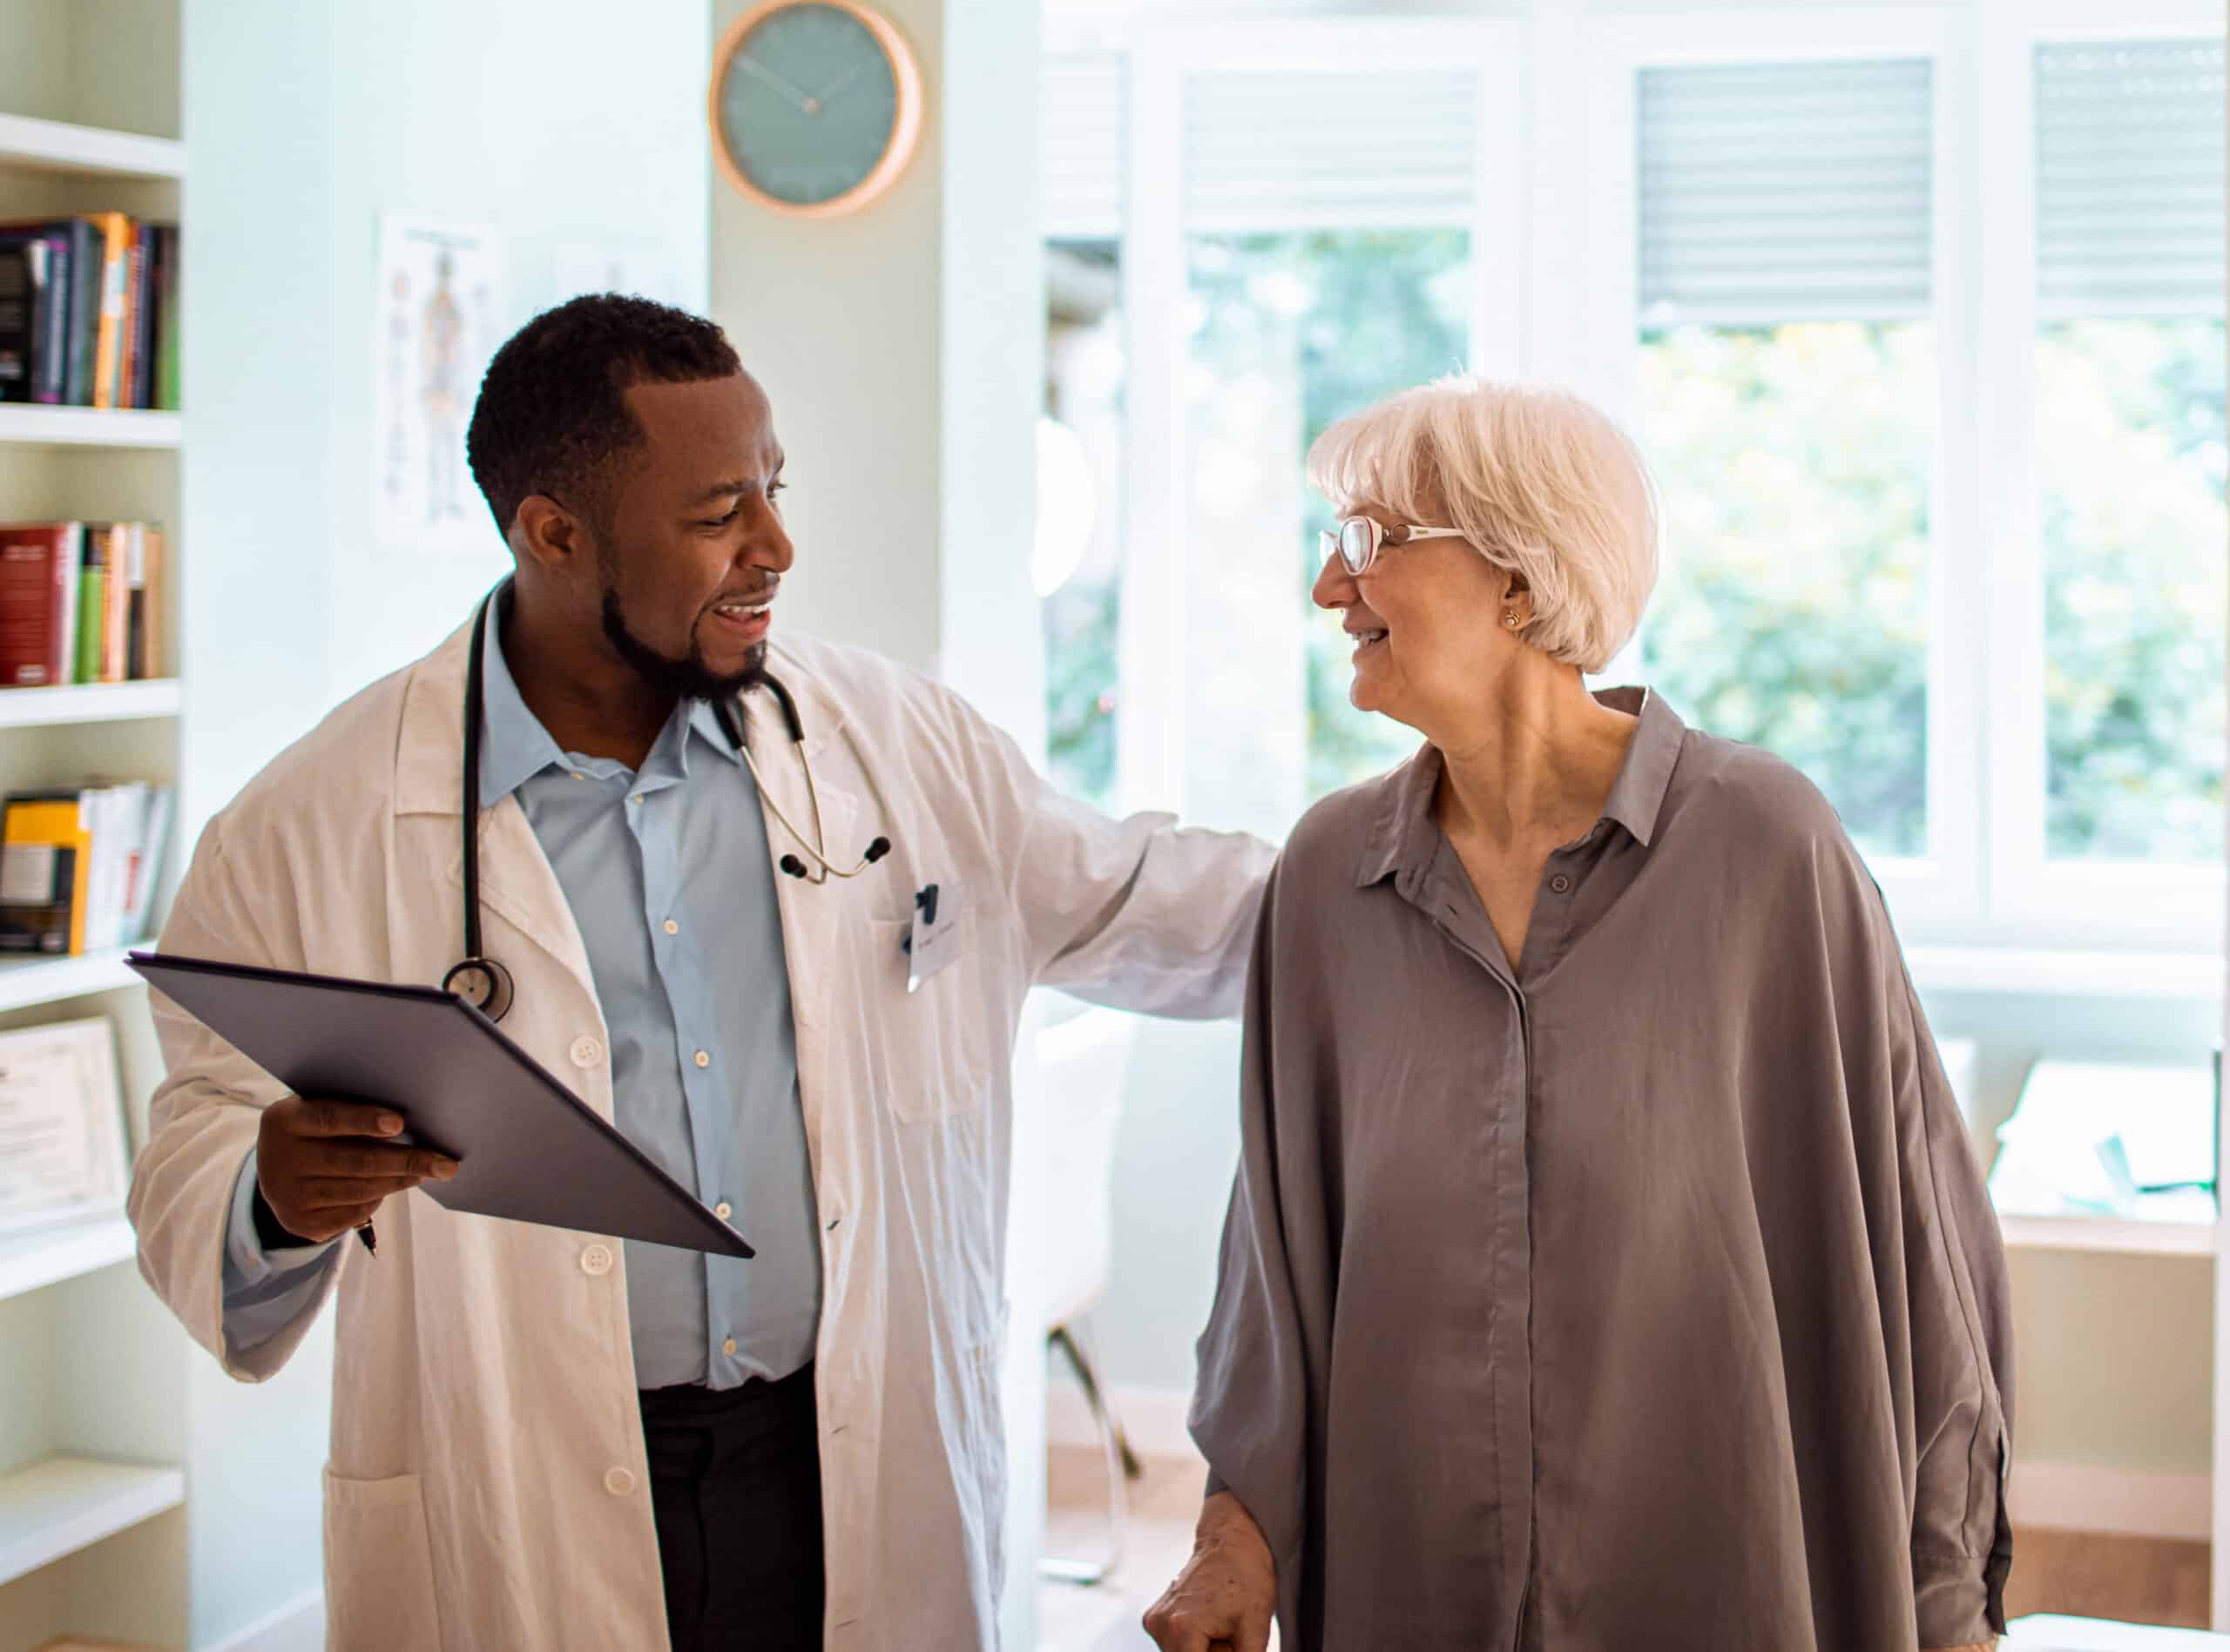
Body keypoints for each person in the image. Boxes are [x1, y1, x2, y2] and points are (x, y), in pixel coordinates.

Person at [127, 294, 1274, 1652]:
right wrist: (270, 1190)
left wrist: (1446, 856)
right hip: (518, 1485)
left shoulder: (888, 742)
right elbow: (193, 1152)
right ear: (554, 534)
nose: (776, 547)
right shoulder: (309, 825)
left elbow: (1150, 895)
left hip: (844, 1457)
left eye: (775, 489)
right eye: (719, 510)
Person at [1143, 377, 2011, 1652]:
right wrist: (1232, 1539)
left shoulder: (1768, 848)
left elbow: (1923, 1264)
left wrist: (1949, 1611)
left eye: (1372, 541)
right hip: (1412, 1587)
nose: (1331, 589)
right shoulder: (1327, 880)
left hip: (1723, 1582)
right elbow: (1275, 1273)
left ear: (1517, 577)